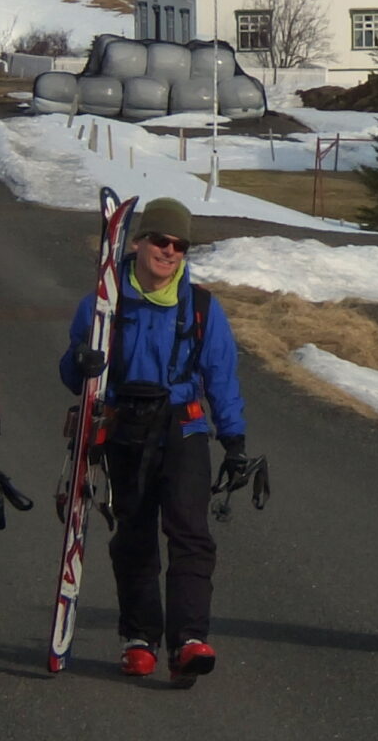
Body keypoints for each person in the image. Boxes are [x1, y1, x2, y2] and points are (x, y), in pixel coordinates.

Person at [59, 196, 248, 689]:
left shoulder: (202, 307)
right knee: (135, 533)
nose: (169, 251)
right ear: (139, 242)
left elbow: (222, 376)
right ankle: (139, 640)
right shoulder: (104, 302)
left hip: (182, 426)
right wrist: (80, 361)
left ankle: (188, 641)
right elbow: (71, 371)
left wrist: (234, 440)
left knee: (190, 534)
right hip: (123, 425)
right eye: (161, 240)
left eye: (179, 245)